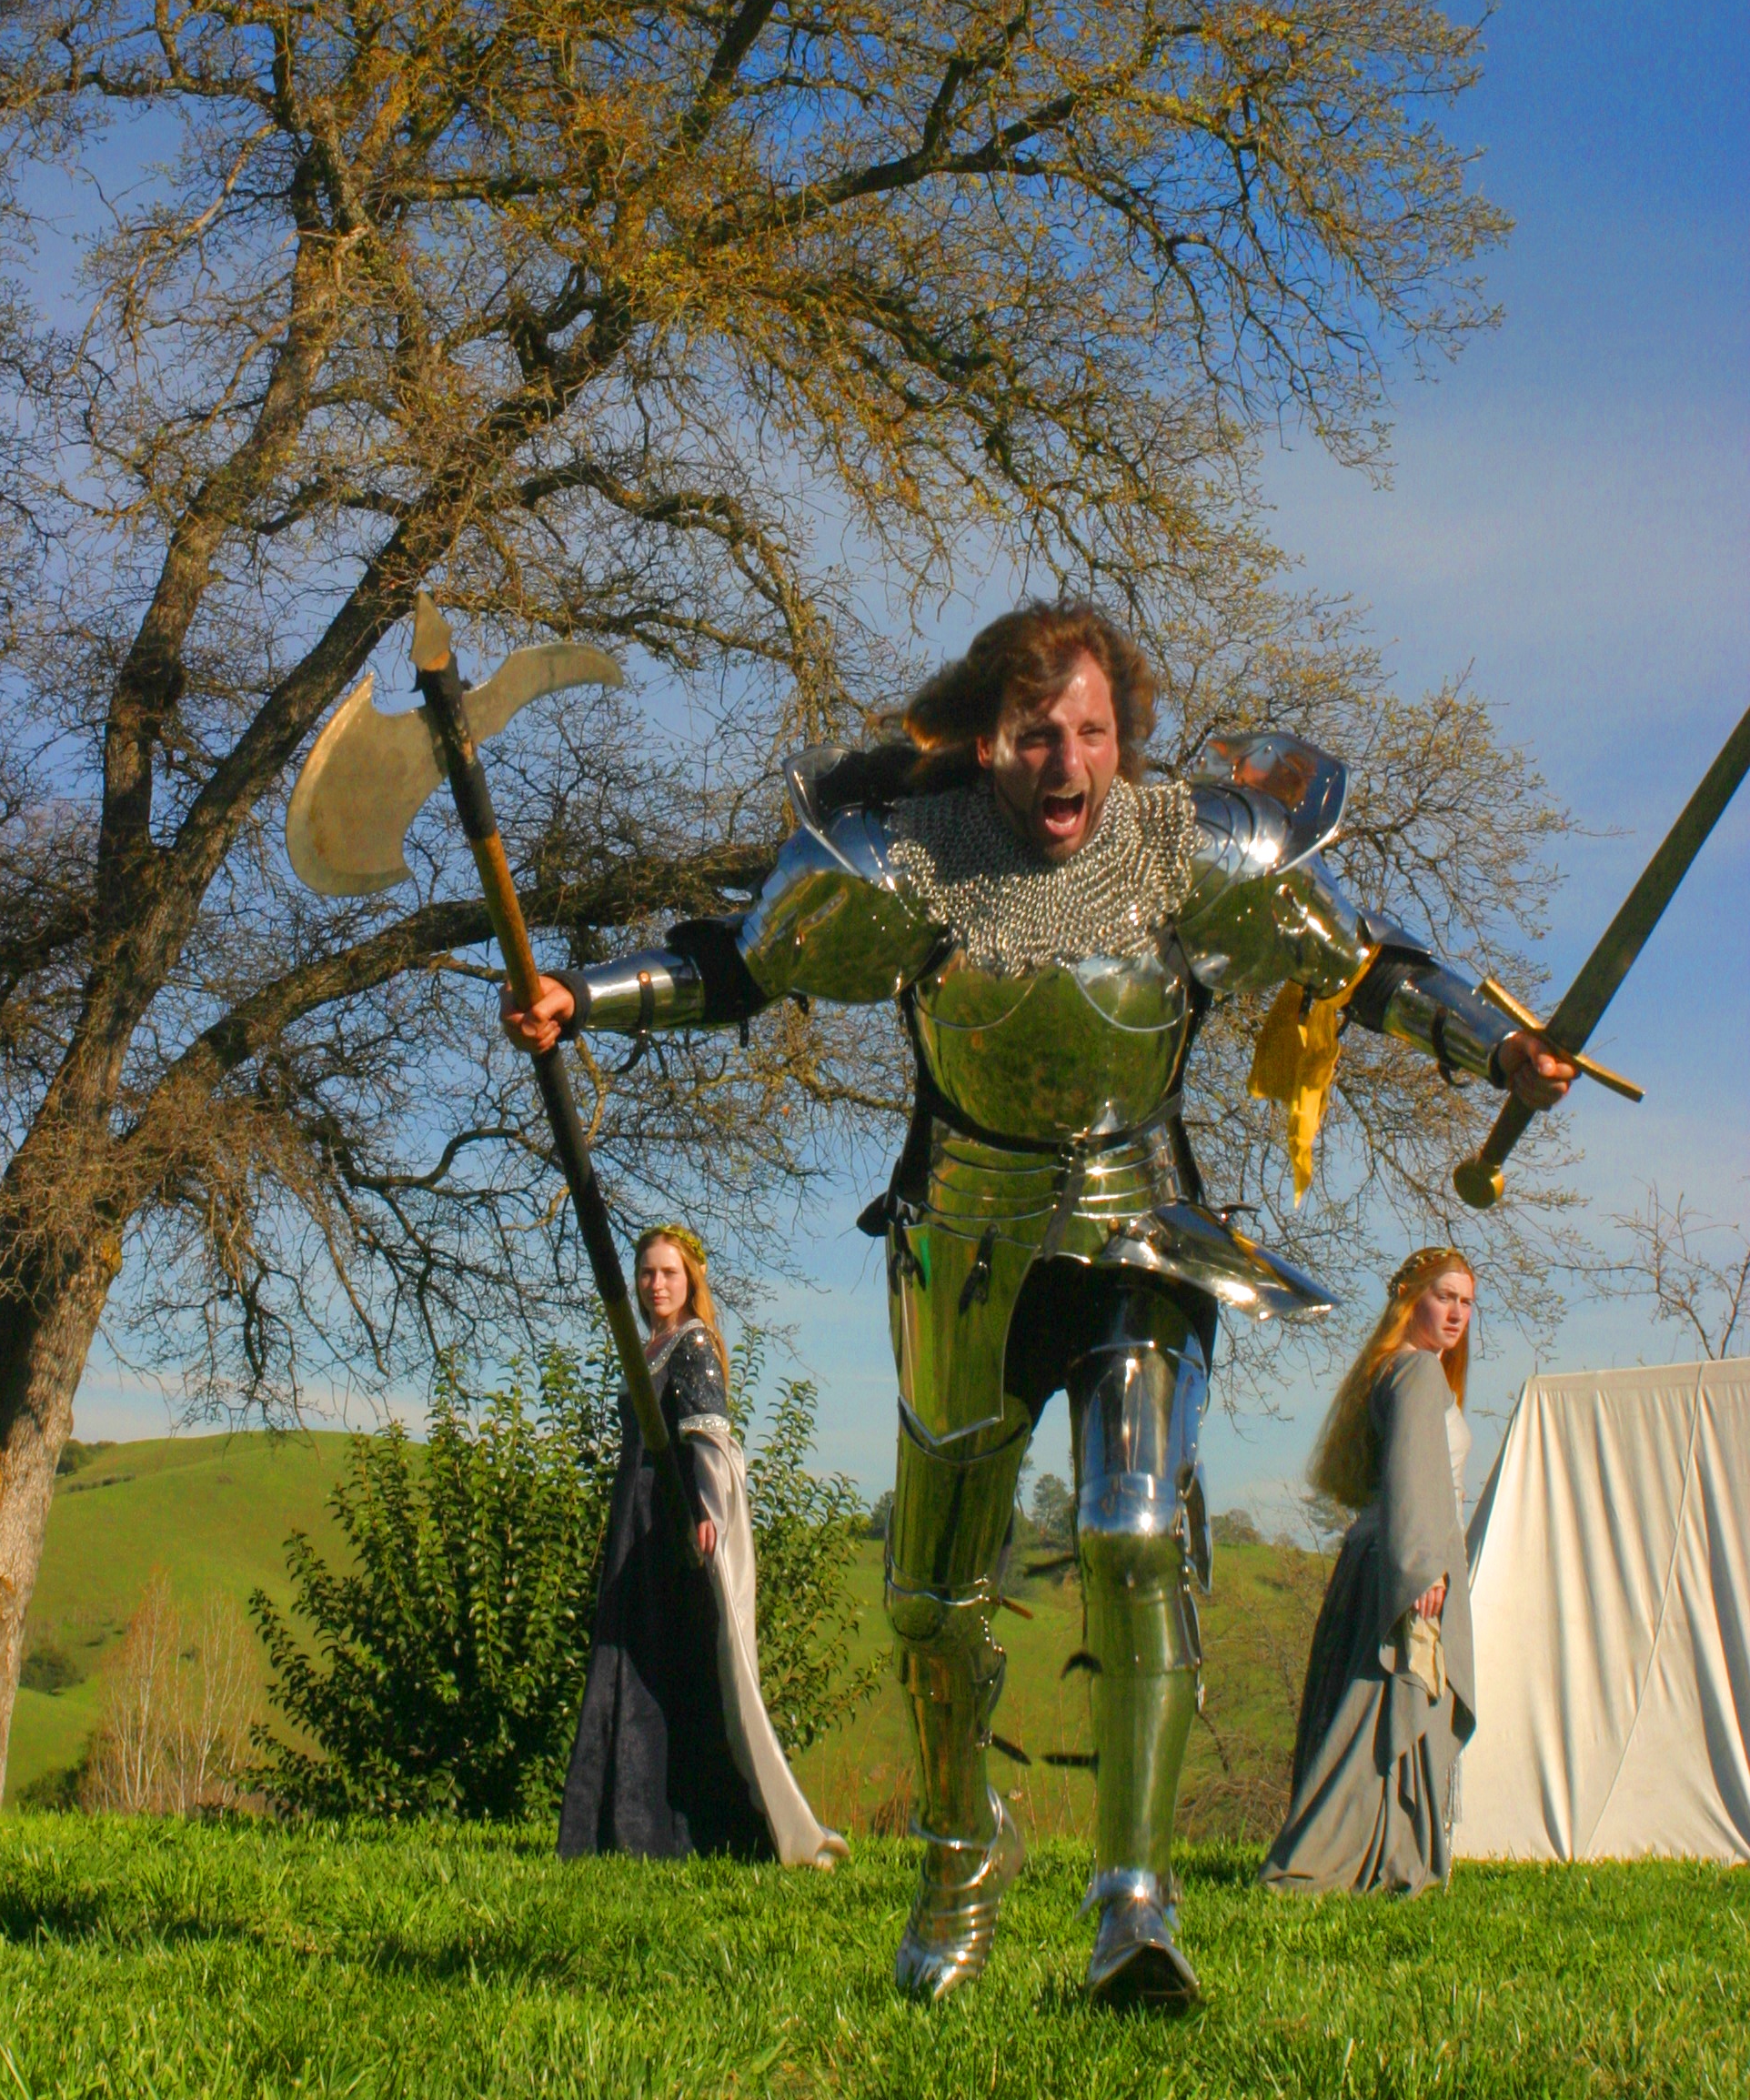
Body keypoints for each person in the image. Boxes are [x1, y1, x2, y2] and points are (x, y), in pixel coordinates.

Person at [508, 602, 1572, 2005]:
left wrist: (1499, 1046)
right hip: (965, 1250)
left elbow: (1360, 962)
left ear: (1122, 737)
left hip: (1142, 1238)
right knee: (929, 1603)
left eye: (1091, 732)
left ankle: (1135, 1902)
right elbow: (744, 965)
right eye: (1035, 735)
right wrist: (584, 996)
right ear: (987, 742)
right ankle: (962, 1852)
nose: (1066, 762)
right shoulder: (902, 862)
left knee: (1136, 1532)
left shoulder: (1196, 849)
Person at [558, 1221, 847, 1869]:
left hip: (671, 1521)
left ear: (690, 1280)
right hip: (636, 1516)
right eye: (647, 1273)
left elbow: (710, 1437)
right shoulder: (650, 1344)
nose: (656, 1284)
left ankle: (673, 1828)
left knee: (666, 1664)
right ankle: (614, 1827)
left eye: (669, 1273)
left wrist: (706, 1514)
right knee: (628, 1653)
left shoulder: (691, 1342)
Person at [1261, 1248, 1479, 1896]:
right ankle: (1341, 1856)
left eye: (1467, 1302)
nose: (1457, 1313)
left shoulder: (1391, 1369)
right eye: (1444, 1296)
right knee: (1382, 1714)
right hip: (1408, 1562)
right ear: (1410, 1299)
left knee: (1375, 1712)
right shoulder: (1416, 1372)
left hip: (1380, 1554)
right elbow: (1414, 1475)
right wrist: (1423, 1572)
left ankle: (1381, 1850)